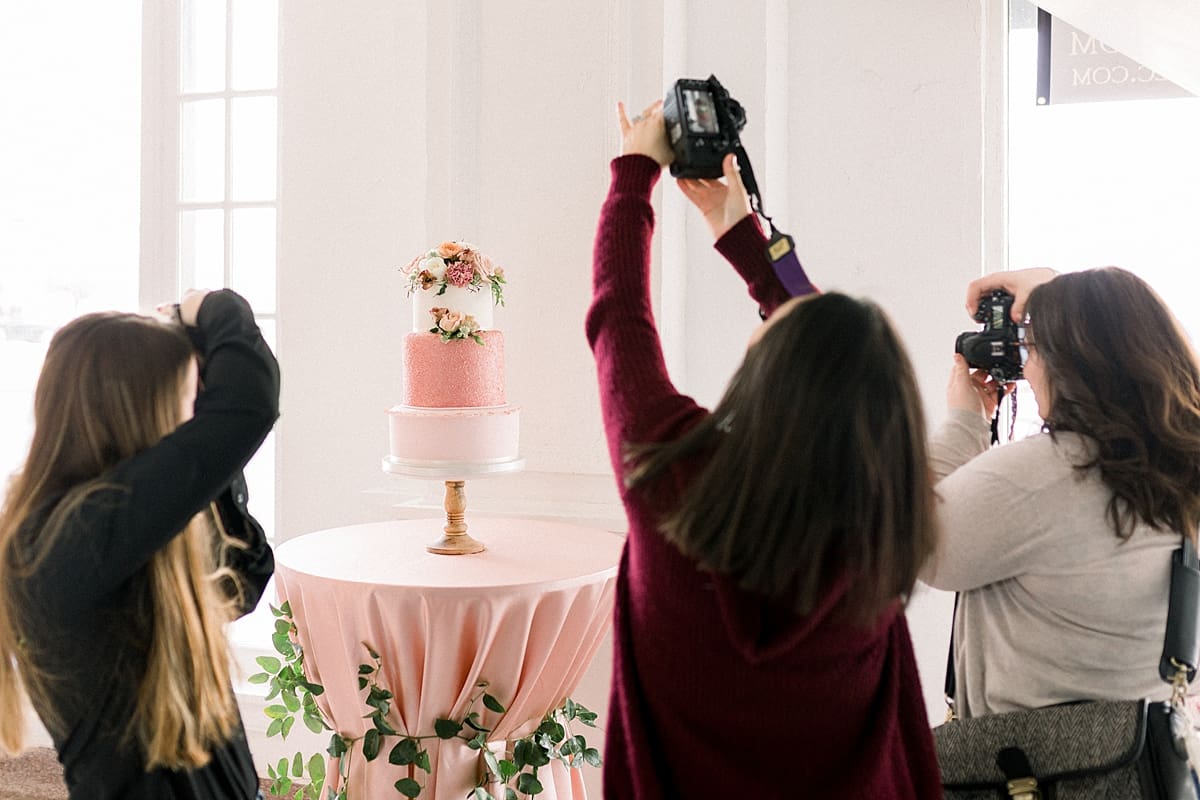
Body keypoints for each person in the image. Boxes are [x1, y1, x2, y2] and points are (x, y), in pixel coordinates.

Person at [586, 99, 943, 798]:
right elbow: (836, 373)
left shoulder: (672, 477)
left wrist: (634, 174)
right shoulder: (880, 536)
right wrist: (740, 235)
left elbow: (617, 314)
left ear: (765, 378)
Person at [0, 288, 279, 799]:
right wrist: (210, 305)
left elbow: (245, 579)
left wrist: (211, 472)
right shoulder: (71, 537)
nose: (198, 420)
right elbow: (249, 404)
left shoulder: (126, 532)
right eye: (189, 400)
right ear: (141, 412)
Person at [927, 266, 1200, 717]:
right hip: (1147, 753)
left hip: (1033, 757)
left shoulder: (1046, 474)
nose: (1027, 367)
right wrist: (1055, 291)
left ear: (1073, 365)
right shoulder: (1181, 470)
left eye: (1033, 349)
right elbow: (1113, 319)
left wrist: (965, 421)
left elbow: (913, 540)